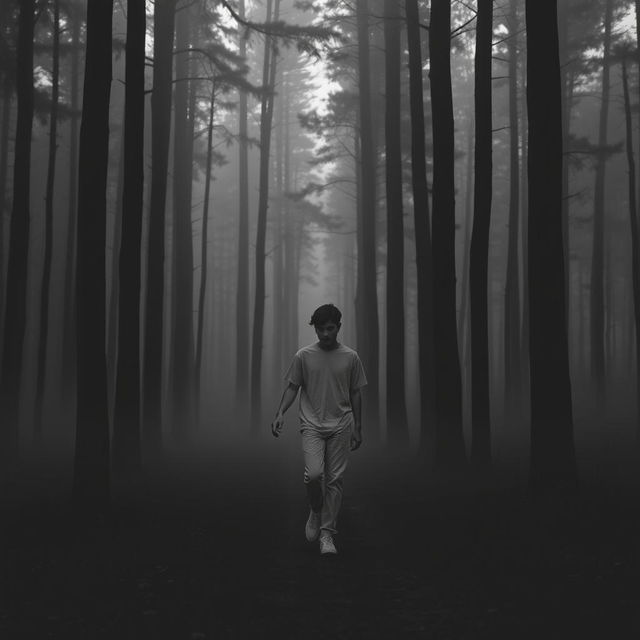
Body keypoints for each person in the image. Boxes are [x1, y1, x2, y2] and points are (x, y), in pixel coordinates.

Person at [271, 304, 367, 555]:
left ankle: (327, 535)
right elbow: (293, 386)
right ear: (314, 328)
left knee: (334, 480)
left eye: (330, 328)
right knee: (314, 475)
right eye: (320, 329)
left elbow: (356, 392)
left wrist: (358, 426)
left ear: (338, 327)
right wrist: (281, 412)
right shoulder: (303, 355)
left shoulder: (351, 357)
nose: (325, 334)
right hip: (312, 423)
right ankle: (315, 509)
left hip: (342, 423)